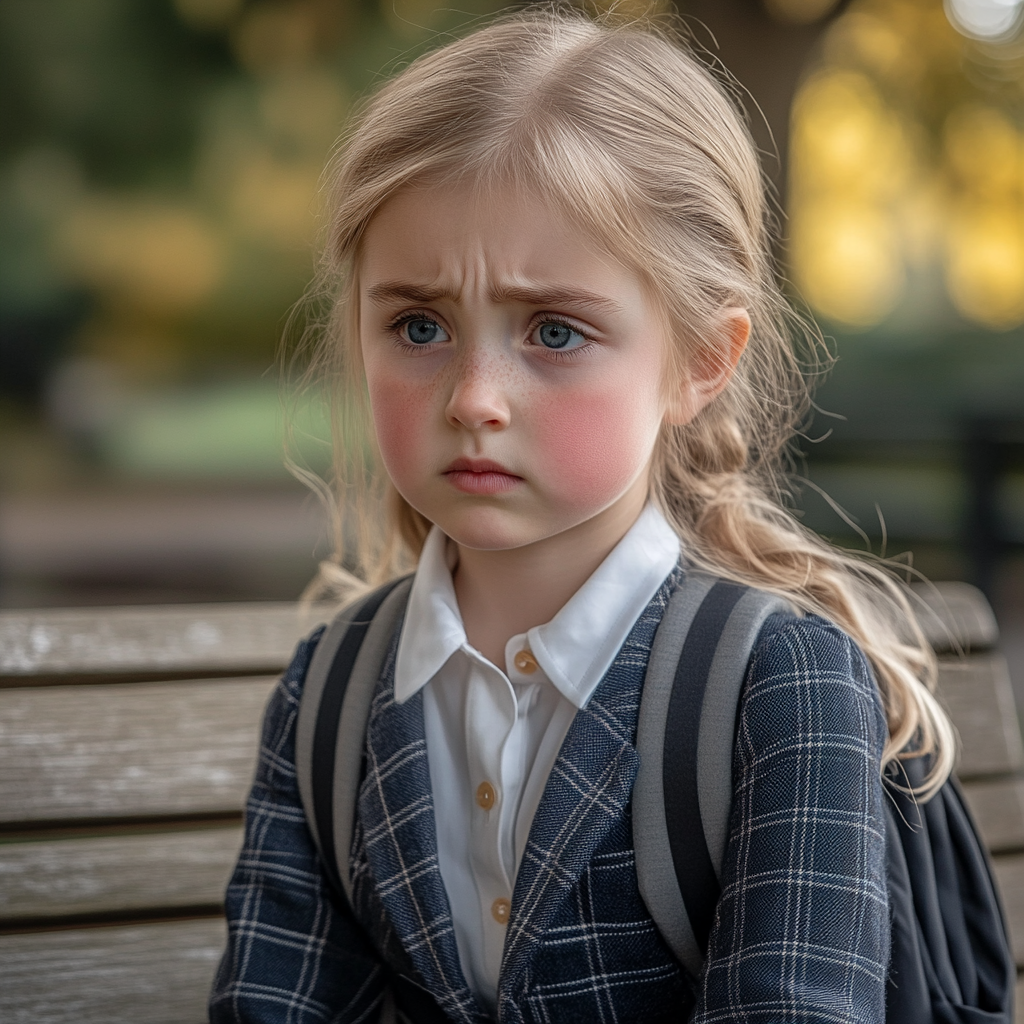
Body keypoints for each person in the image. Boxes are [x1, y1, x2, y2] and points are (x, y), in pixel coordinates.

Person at [209, 8, 955, 1022]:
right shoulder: (330, 695)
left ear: (700, 361)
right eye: (417, 325)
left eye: (554, 331)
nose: (474, 396)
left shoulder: (781, 688)